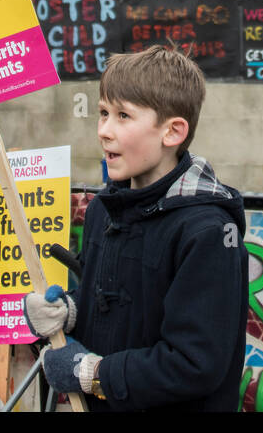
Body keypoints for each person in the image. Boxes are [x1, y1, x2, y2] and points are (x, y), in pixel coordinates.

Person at [22, 45, 249, 411]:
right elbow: (115, 308)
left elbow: (195, 364)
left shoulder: (207, 231)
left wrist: (92, 374)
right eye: (103, 113)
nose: (104, 131)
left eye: (123, 116)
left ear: (172, 132)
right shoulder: (103, 211)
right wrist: (70, 313)